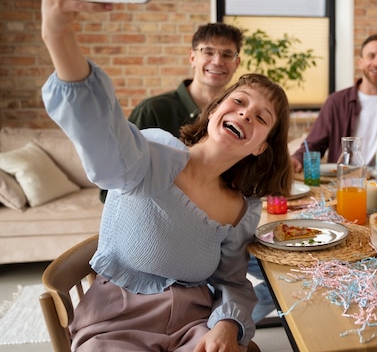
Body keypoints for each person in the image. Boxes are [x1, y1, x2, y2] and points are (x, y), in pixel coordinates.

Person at [40, 0, 293, 352]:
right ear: (213, 111)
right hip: (116, 322)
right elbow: (102, 137)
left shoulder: (242, 209)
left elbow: (233, 282)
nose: (246, 115)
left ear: (262, 147)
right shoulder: (155, 152)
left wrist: (227, 323)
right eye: (239, 102)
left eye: (261, 118)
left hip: (195, 321)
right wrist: (58, 32)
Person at [98, 21, 277, 325]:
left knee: (273, 270)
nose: (217, 61)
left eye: (227, 54)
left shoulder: (242, 154)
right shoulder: (153, 113)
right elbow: (113, 186)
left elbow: (231, 273)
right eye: (208, 52)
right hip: (147, 258)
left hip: (203, 268)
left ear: (237, 63)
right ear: (193, 57)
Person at [291, 33, 377, 170]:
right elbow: (314, 144)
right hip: (342, 180)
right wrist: (297, 158)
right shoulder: (336, 101)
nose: (376, 63)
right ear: (360, 62)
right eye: (371, 56)